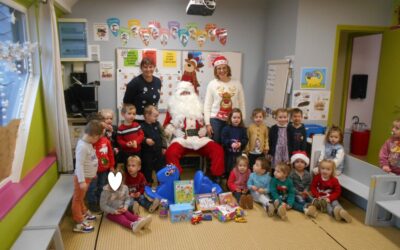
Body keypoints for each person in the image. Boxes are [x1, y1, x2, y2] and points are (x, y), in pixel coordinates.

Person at [164, 81, 224, 178]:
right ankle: (175, 177)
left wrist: (204, 129)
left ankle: (215, 176)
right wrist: (174, 131)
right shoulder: (172, 108)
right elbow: (166, 125)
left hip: (199, 139)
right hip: (182, 140)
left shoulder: (199, 107)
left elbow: (205, 122)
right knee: (170, 152)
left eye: (188, 93)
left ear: (192, 94)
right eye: (183, 93)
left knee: (217, 149)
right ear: (178, 95)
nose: (185, 95)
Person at [204, 56, 245, 144]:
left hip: (233, 120)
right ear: (216, 70)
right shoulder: (212, 84)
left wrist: (242, 120)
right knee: (216, 144)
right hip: (216, 120)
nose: (222, 70)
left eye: (224, 68)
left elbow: (242, 103)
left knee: (231, 144)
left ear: (228, 69)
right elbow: (207, 105)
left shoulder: (237, 83)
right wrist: (207, 124)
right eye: (219, 68)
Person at [72, 120, 103, 233]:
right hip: (82, 178)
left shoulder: (88, 144)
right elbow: (79, 164)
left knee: (81, 198)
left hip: (87, 177)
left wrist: (92, 174)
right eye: (98, 138)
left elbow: (90, 160)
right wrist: (81, 181)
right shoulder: (83, 147)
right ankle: (79, 221)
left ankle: (83, 213)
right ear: (94, 136)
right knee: (77, 198)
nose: (98, 140)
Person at [86, 113, 115, 213]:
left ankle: (100, 201)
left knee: (102, 186)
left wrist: (111, 166)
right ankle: (92, 203)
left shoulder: (105, 140)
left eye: (103, 129)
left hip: (104, 170)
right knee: (92, 188)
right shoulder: (90, 143)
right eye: (100, 129)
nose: (103, 131)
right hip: (92, 172)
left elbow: (110, 154)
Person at [123, 58, 161, 123]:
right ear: (141, 68)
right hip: (137, 121)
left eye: (150, 67)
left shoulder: (158, 81)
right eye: (145, 67)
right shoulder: (135, 83)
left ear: (154, 67)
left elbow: (156, 102)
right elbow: (126, 103)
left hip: (152, 119)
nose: (148, 69)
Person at [141, 105, 167, 183]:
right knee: (147, 171)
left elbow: (163, 135)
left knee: (160, 170)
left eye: (157, 116)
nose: (156, 118)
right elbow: (139, 138)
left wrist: (164, 147)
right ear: (147, 115)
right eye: (155, 116)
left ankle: (161, 185)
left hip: (158, 153)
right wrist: (145, 140)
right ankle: (148, 186)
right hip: (147, 154)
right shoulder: (141, 126)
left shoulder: (157, 124)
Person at [289, 151, 318, 218]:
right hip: (295, 192)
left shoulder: (308, 174)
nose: (299, 164)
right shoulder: (291, 174)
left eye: (302, 162)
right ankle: (307, 207)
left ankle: (316, 204)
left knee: (310, 198)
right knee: (299, 199)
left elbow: (309, 184)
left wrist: (306, 190)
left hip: (305, 192)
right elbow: (291, 185)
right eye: (297, 162)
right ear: (293, 163)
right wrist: (298, 192)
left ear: (305, 164)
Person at [221, 108, 248, 175]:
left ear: (241, 119)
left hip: (238, 154)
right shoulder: (226, 128)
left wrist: (240, 143)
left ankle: (236, 183)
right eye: (234, 117)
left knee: (237, 169)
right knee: (228, 169)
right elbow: (223, 139)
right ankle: (228, 183)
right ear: (230, 118)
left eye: (238, 117)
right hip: (228, 154)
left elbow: (245, 139)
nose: (236, 119)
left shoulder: (243, 129)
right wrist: (231, 143)